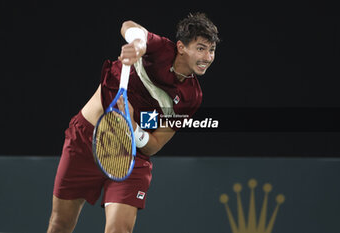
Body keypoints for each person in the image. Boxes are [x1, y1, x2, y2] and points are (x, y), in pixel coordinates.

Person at [47, 12, 220, 233]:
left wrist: (134, 128)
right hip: (87, 139)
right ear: (181, 47)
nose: (207, 57)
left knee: (119, 230)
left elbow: (155, 143)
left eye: (211, 50)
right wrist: (137, 43)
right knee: (59, 225)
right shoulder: (160, 50)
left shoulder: (191, 97)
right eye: (201, 48)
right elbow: (129, 25)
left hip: (132, 154)